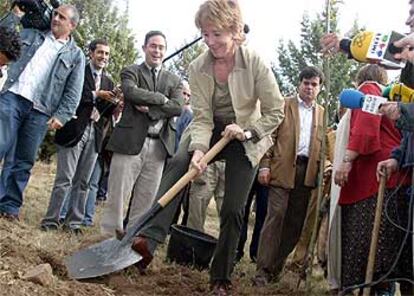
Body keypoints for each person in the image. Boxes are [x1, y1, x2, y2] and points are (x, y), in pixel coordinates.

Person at [130, 1, 285, 294]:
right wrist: (199, 149)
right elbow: (201, 116)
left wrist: (248, 130)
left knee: (233, 208)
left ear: (235, 31)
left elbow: (276, 111)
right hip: (211, 128)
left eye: (217, 34)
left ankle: (221, 277)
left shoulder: (254, 63)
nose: (211, 42)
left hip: (245, 135)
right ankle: (146, 243)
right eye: (205, 34)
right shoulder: (198, 66)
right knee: (178, 163)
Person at [0, 4, 85, 220]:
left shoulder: (76, 55)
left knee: (24, 160)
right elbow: (3, 36)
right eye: (55, 14)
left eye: (62, 17)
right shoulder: (32, 34)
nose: (55, 19)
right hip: (12, 96)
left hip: (39, 111)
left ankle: (9, 207)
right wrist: (16, 14)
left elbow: (73, 90)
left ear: (72, 25)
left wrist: (62, 115)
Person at [333, 65, 412, 295]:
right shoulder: (388, 96)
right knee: (394, 248)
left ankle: (376, 290)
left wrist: (347, 160)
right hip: (394, 177)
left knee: (372, 248)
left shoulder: (368, 90)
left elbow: (366, 129)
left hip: (374, 179)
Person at [100, 30, 184, 237]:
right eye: (153, 46)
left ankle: (130, 241)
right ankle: (109, 239)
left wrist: (153, 108)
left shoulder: (174, 80)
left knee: (146, 199)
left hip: (158, 147)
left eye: (161, 47)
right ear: (145, 48)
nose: (157, 51)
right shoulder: (131, 71)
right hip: (129, 142)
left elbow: (178, 107)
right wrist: (162, 99)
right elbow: (130, 92)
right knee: (118, 194)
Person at [253, 66, 326, 287]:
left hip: (307, 174)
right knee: (276, 216)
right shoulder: (284, 105)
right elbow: (270, 136)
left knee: (295, 224)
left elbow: (324, 146)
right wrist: (264, 166)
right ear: (299, 84)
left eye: (314, 84)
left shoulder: (322, 113)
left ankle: (275, 267)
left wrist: (323, 170)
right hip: (281, 168)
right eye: (306, 83)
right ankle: (262, 271)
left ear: (320, 88)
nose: (310, 88)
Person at [40, 39, 117, 232]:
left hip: (95, 134)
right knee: (64, 178)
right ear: (91, 53)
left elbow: (106, 112)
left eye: (107, 54)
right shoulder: (79, 72)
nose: (104, 57)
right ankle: (51, 221)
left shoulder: (109, 81)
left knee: (84, 181)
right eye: (100, 52)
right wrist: (96, 94)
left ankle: (73, 223)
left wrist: (115, 104)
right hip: (74, 130)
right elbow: (71, 96)